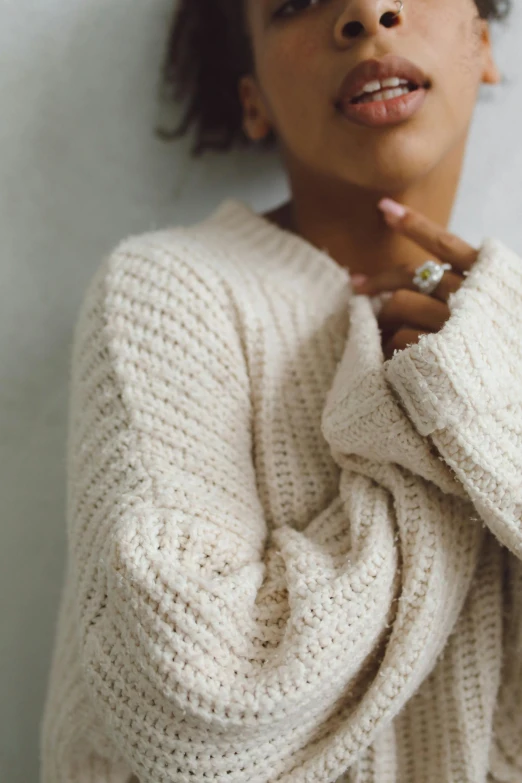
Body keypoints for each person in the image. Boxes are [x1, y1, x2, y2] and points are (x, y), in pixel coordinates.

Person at [40, 0, 522, 781]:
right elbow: (187, 694)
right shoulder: (172, 292)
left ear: (483, 41)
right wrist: (445, 421)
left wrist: (497, 384)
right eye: (299, 1)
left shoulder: (513, 338)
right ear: (252, 100)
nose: (370, 12)